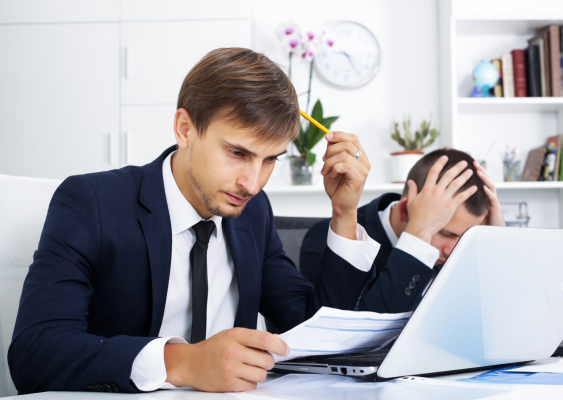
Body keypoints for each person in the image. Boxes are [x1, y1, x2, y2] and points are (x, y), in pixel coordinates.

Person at [8, 48, 382, 394]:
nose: (252, 184)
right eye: (237, 153)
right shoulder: (92, 202)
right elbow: (34, 353)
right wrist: (182, 363)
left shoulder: (254, 211)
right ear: (185, 129)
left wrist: (344, 214)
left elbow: (314, 336)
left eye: (270, 159)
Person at [300, 148, 506, 313]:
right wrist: (419, 233)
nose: (453, 250)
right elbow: (351, 337)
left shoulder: (461, 248)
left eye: (465, 236)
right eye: (445, 233)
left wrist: (499, 243)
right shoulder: (328, 239)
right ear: (406, 210)